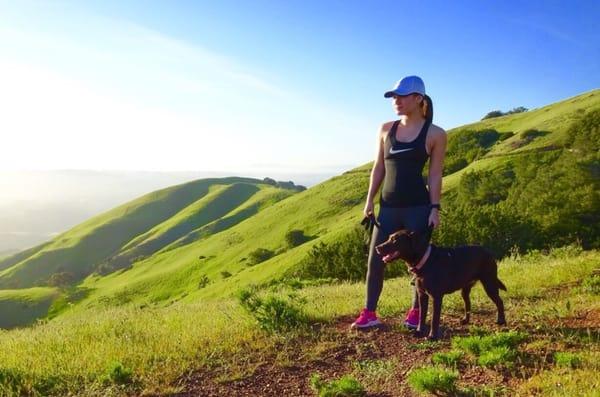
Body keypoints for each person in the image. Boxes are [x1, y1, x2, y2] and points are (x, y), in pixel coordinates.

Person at [351, 75, 447, 329]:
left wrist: (435, 208)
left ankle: (416, 311)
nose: (396, 101)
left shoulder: (436, 134)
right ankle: (369, 313)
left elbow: (435, 174)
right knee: (375, 260)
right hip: (388, 207)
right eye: (394, 96)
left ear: (419, 99)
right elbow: (378, 168)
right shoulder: (385, 129)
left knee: (419, 263)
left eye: (402, 96)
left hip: (418, 207)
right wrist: (369, 200)